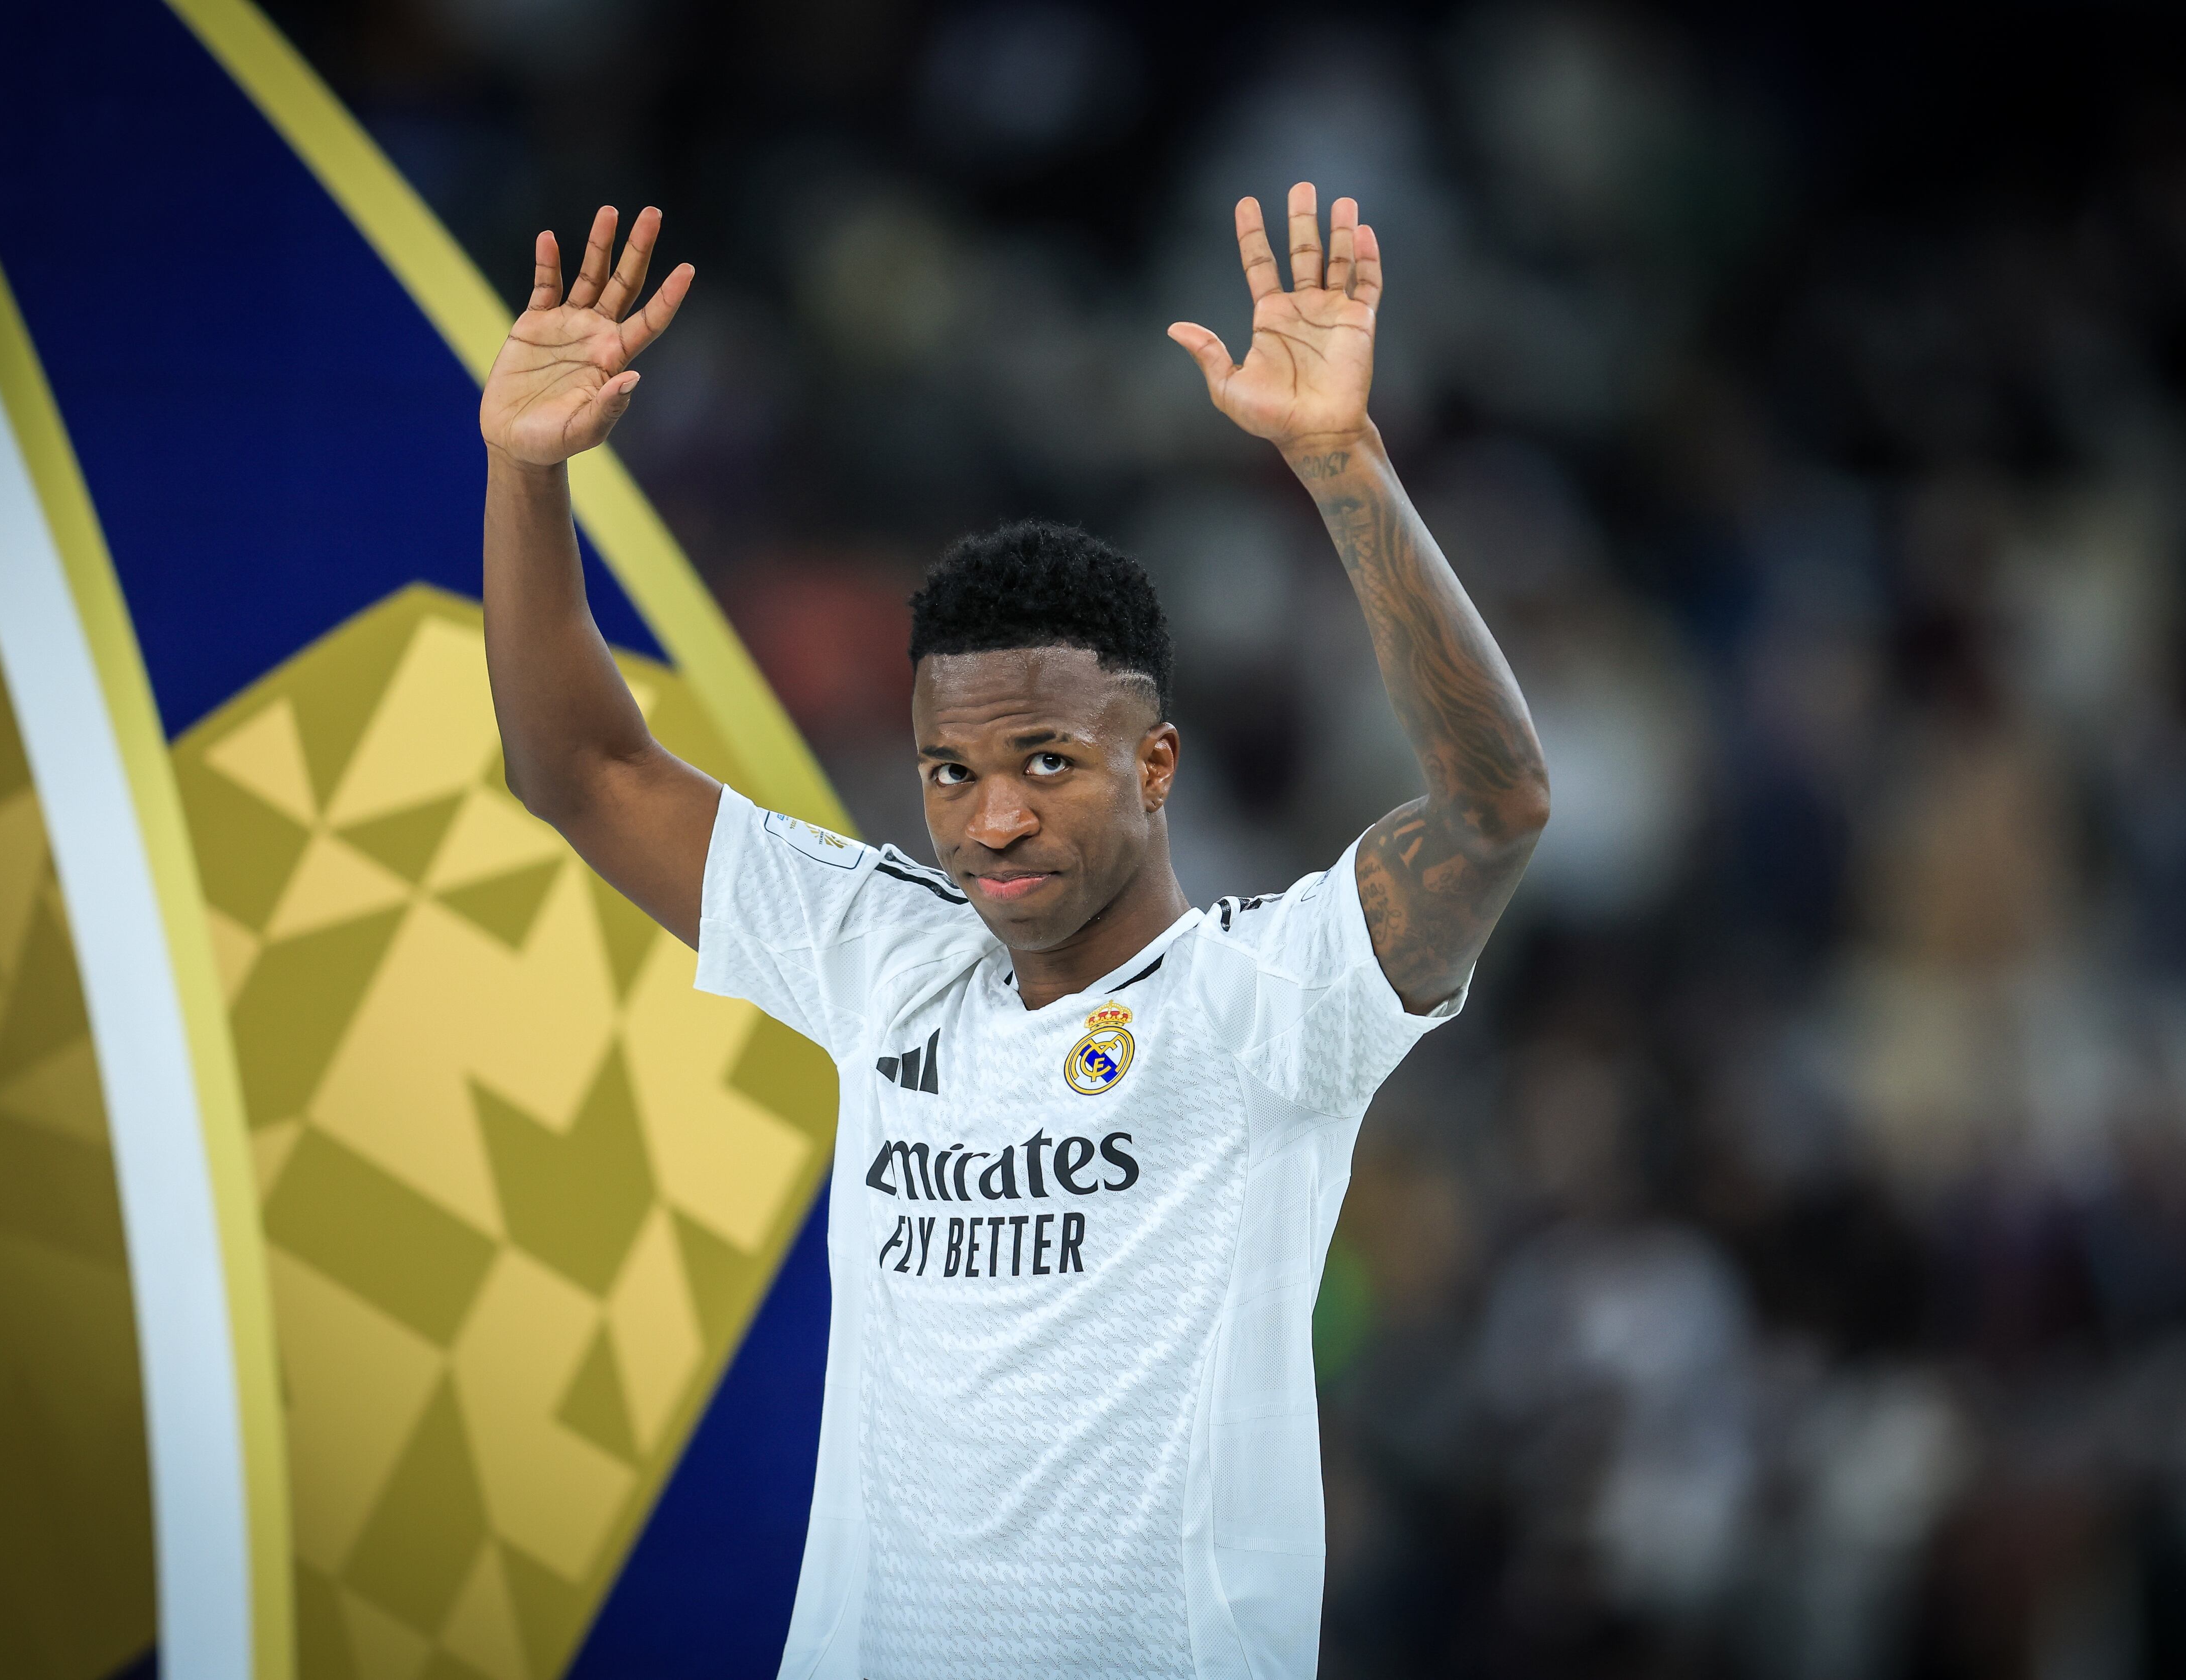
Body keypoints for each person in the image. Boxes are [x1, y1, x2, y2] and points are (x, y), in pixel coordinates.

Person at [478, 181, 1548, 1679]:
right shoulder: (884, 960)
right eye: (950, 773)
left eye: (1047, 762)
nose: (991, 821)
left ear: (1156, 764)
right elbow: (582, 772)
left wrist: (1342, 459)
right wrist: (525, 476)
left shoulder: (1273, 996)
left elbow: (1498, 809)